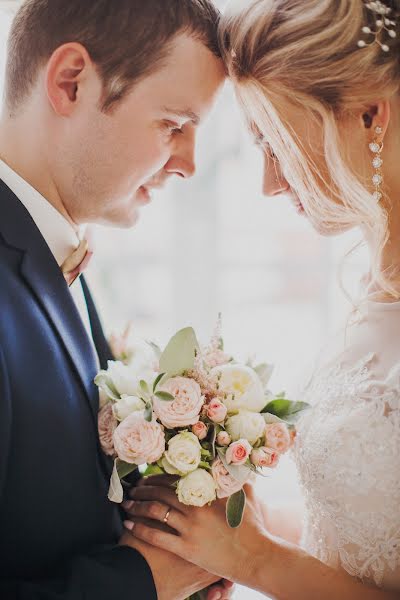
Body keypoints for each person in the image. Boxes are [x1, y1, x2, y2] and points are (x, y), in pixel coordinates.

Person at [122, 0, 400, 598]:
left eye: (278, 143)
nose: (270, 183)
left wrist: (259, 560)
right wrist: (245, 535)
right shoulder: (371, 284)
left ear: (370, 116)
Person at [0, 1, 232, 598]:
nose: (188, 164)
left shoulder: (53, 244)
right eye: (173, 124)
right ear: (70, 82)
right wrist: (140, 582)